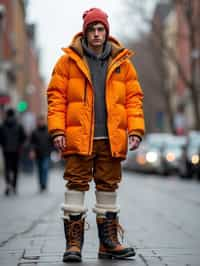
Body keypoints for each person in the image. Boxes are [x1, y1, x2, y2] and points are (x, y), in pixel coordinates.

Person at [47, 8, 145, 262]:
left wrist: (135, 130)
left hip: (111, 139)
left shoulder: (123, 63)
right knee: (76, 186)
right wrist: (57, 130)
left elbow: (134, 99)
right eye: (93, 29)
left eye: (101, 29)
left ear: (107, 32)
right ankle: (74, 245)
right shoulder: (67, 62)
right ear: (85, 32)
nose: (97, 34)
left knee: (108, 187)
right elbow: (56, 98)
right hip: (78, 138)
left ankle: (108, 243)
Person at [0, 108, 26, 195]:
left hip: (6, 150)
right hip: (16, 150)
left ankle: (8, 184)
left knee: (7, 168)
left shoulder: (3, 125)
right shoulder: (18, 125)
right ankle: (14, 186)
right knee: (15, 169)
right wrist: (20, 145)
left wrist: (3, 145)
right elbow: (24, 137)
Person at [29, 115, 52, 192]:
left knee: (45, 168)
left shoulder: (48, 131)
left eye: (42, 121)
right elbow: (31, 143)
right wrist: (32, 151)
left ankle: (44, 184)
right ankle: (41, 185)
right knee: (39, 170)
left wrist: (55, 151)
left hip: (46, 154)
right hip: (38, 154)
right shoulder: (34, 132)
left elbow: (52, 142)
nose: (41, 122)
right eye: (39, 121)